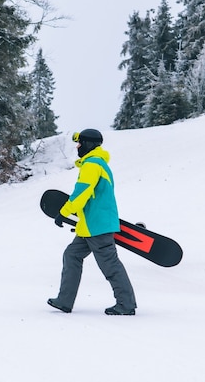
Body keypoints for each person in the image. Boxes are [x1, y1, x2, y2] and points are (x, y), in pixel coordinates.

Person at [47, 128, 137, 315]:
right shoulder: (97, 164)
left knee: (110, 264)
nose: (78, 147)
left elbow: (81, 193)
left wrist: (64, 212)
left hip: (98, 226)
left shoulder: (92, 165)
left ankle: (126, 304)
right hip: (90, 226)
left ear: (88, 144)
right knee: (72, 255)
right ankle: (65, 301)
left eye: (80, 143)